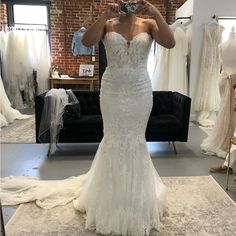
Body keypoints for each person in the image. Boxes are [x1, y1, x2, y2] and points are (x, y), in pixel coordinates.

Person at [0, 0, 175, 235]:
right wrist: (104, 15)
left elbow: (171, 42)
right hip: (112, 91)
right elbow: (86, 41)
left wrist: (155, 11)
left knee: (136, 139)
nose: (128, 4)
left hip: (140, 90)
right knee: (113, 139)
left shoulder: (150, 23)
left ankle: (136, 197)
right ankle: (109, 197)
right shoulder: (108, 24)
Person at [209, 27, 236, 179]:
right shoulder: (221, 45)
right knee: (228, 115)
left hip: (226, 79)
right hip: (229, 81)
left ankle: (228, 163)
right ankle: (228, 163)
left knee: (229, 116)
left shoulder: (222, 45)